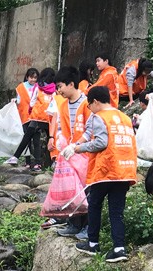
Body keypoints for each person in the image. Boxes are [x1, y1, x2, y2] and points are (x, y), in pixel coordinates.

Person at [61, 86, 137, 262]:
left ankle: (93, 243)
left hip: (105, 170)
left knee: (94, 204)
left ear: (95, 102)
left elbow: (101, 143)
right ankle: (119, 249)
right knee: (116, 211)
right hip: (124, 171)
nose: (89, 109)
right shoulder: (124, 117)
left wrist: (78, 149)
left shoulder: (99, 117)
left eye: (89, 106)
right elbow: (89, 133)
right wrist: (75, 145)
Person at [42, 66, 90, 234]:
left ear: (71, 84)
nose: (58, 90)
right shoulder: (62, 106)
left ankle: (86, 227)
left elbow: (90, 130)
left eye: (60, 86)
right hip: (69, 153)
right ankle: (74, 224)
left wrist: (78, 146)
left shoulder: (86, 103)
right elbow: (62, 127)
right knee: (71, 190)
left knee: (86, 191)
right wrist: (60, 141)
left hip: (84, 153)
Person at [6, 67, 57, 172]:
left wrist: (30, 111)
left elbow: (32, 102)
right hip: (49, 118)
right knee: (52, 139)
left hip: (37, 117)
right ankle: (54, 162)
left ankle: (15, 157)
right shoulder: (55, 89)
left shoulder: (38, 87)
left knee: (27, 138)